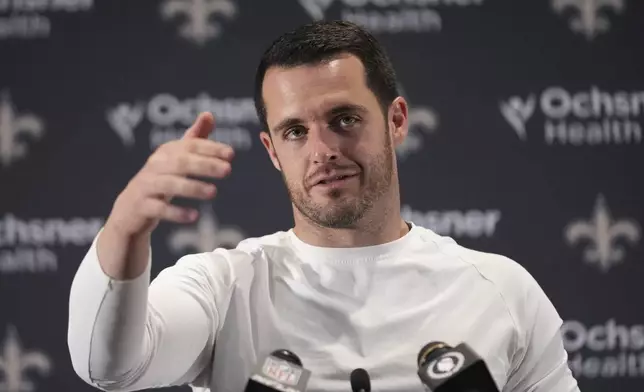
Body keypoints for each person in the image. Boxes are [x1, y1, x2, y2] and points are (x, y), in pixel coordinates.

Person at [67, 20, 580, 392]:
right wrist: (126, 229)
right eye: (295, 131)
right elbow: (110, 367)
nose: (322, 151)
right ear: (271, 150)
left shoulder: (500, 290)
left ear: (397, 120)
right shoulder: (224, 287)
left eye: (344, 119)